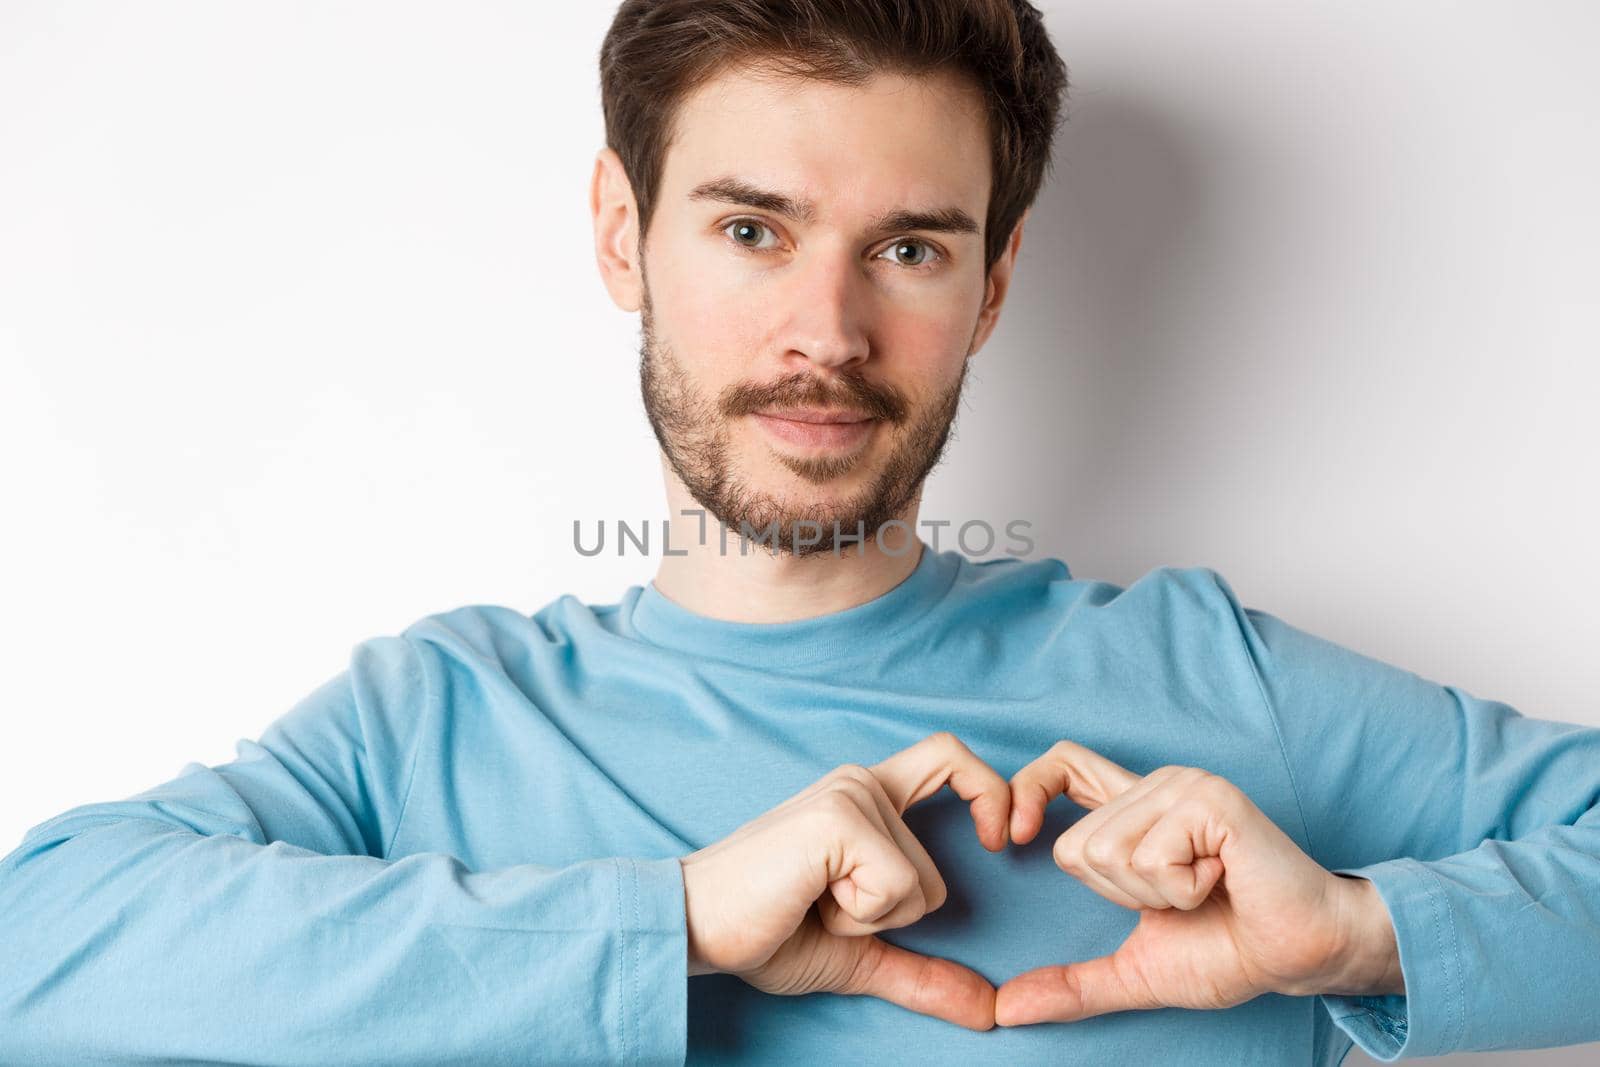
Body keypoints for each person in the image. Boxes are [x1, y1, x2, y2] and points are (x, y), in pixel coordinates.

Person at [3, 1, 1598, 1064]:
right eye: (752, 229)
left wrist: (1357, 938)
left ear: (993, 283)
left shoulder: (1213, 690)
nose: (824, 331)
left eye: (906, 246)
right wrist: (674, 918)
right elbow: (36, 944)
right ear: (625, 237)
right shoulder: (439, 722)